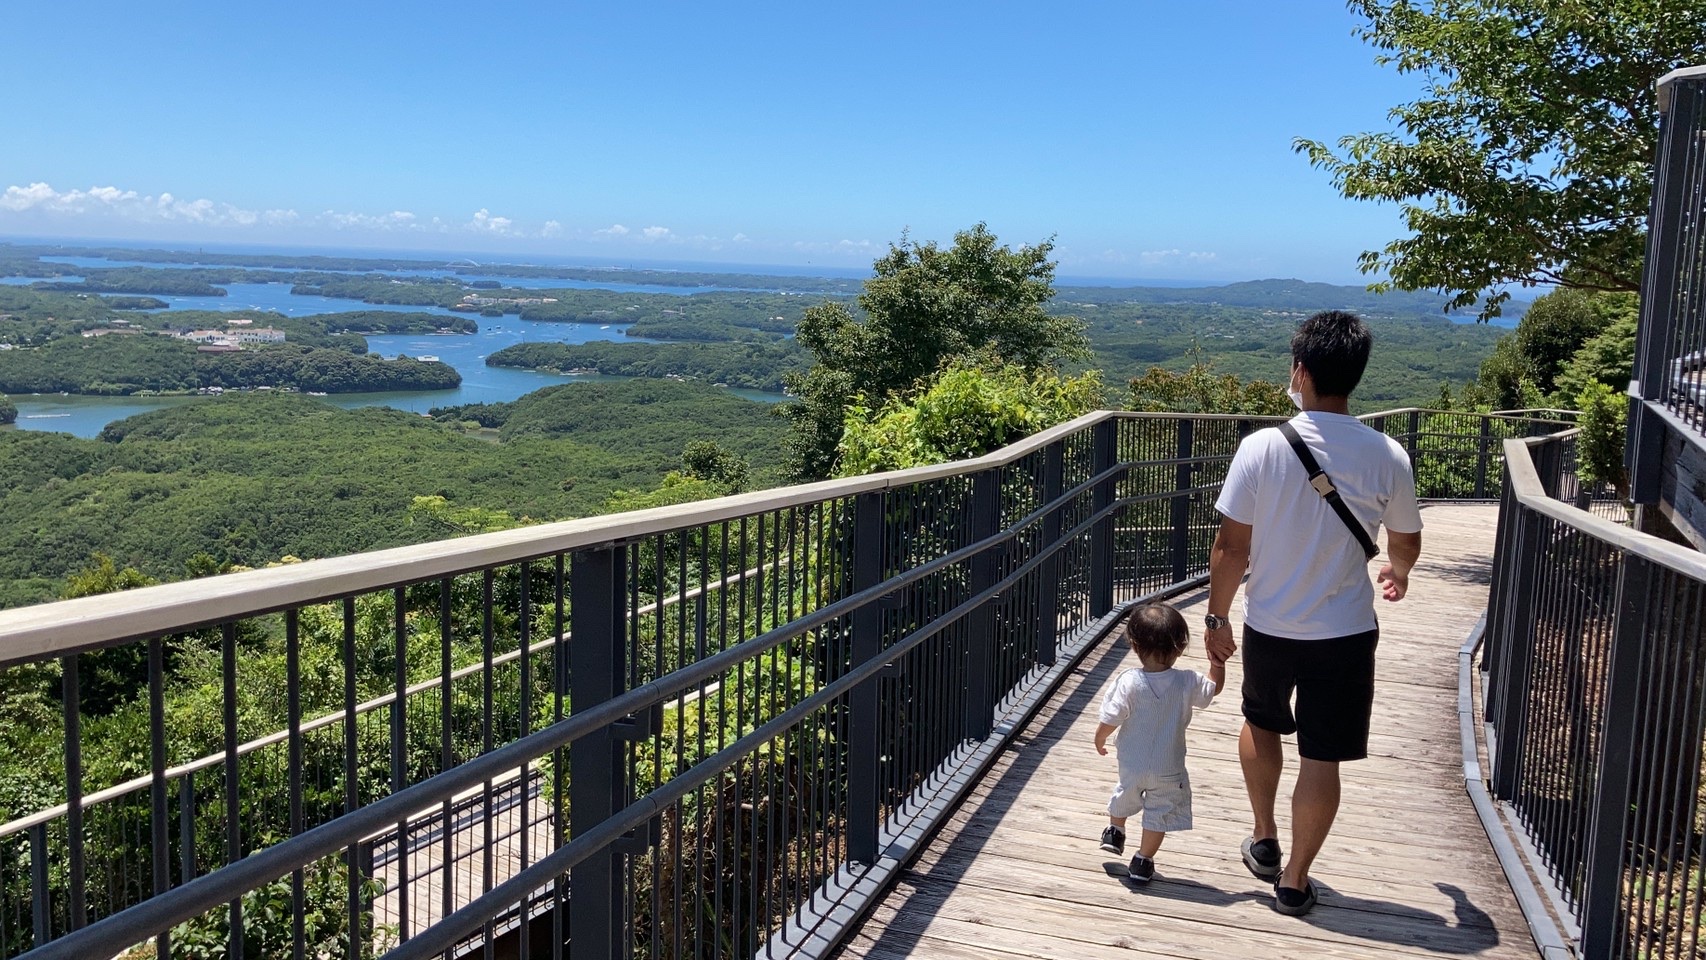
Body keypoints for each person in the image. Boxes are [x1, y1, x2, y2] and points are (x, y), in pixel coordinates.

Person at [1202, 309, 1423, 916]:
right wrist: (1397, 573)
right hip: (1346, 631)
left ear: (1300, 371)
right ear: (1354, 375)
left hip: (1270, 623)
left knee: (1261, 721)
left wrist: (1217, 621)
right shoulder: (1388, 455)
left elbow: (1230, 547)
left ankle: (1265, 836)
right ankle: (1296, 879)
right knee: (1322, 757)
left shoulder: (1260, 448)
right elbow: (1405, 540)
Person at [1093, 603, 1224, 883]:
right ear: (1181, 647)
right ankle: (1142, 861)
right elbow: (1212, 690)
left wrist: (1100, 736)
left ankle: (1115, 832)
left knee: (1125, 791)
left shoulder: (1129, 681)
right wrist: (1217, 663)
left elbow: (1112, 716)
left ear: (1133, 644)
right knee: (1160, 812)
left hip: (1133, 761)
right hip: (1169, 766)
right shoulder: (1188, 681)